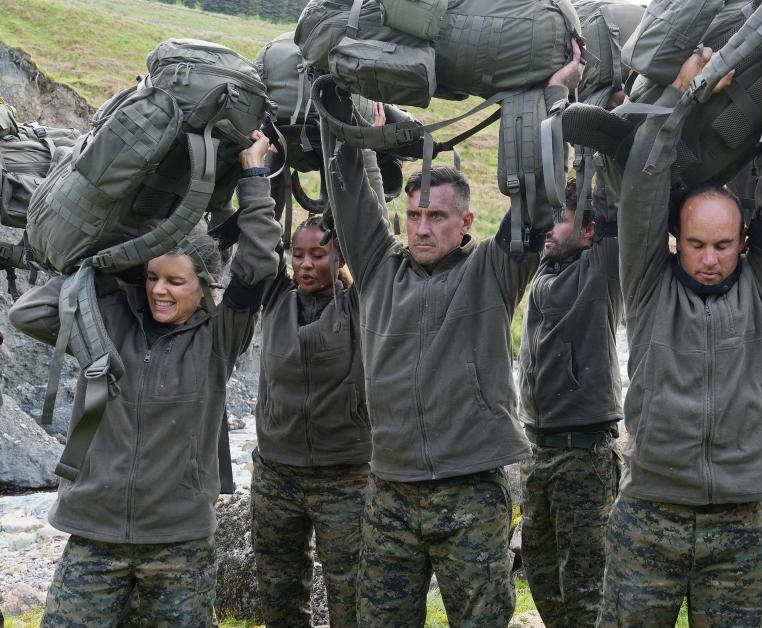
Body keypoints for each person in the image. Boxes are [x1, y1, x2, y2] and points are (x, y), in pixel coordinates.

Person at [320, 47, 582, 626]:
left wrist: (551, 99)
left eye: (436, 216)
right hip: (389, 489)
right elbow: (349, 193)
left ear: (466, 221)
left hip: (472, 491)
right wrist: (339, 108)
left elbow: (537, 204)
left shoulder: (493, 269)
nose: (421, 227)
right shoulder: (379, 268)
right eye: (414, 215)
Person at [11, 132, 281, 627]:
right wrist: (117, 259)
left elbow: (260, 260)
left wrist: (254, 178)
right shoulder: (106, 318)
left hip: (178, 542)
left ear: (205, 289)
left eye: (175, 281)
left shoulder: (221, 336)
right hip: (93, 532)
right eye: (152, 277)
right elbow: (29, 313)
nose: (160, 290)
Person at [597, 20, 762, 626]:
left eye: (723, 244)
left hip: (740, 524)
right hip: (650, 517)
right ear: (676, 240)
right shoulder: (647, 286)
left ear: (742, 240)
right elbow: (642, 184)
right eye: (696, 244)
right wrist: (681, 97)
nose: (711, 258)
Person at [250, 214, 369, 627]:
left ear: (338, 256)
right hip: (275, 474)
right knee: (278, 586)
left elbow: (366, 236)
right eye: (297, 254)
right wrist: (254, 178)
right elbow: (259, 243)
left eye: (318, 254)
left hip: (345, 475)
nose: (304, 263)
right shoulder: (276, 298)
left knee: (350, 588)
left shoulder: (361, 304)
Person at [518, 175, 622, 627]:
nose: (549, 227)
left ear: (588, 230)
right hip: (538, 452)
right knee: (541, 574)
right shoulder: (546, 267)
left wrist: (601, 127)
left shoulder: (602, 269)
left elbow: (617, 206)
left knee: (585, 590)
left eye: (560, 219)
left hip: (584, 454)